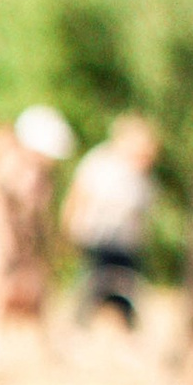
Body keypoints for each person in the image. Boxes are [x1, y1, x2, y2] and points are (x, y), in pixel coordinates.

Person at [0, 104, 72, 342]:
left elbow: (37, 217)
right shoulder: (2, 168)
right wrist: (2, 247)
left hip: (17, 244)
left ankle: (40, 346)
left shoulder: (38, 175)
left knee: (34, 295)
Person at [63, 114, 161, 325]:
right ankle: (81, 326)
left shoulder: (141, 175)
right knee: (92, 286)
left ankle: (124, 327)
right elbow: (78, 196)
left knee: (126, 292)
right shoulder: (99, 164)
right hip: (96, 237)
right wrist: (71, 228)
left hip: (127, 242)